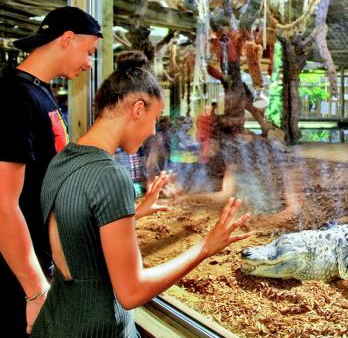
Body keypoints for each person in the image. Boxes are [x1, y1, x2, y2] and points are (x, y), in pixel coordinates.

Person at [31, 51, 251, 337]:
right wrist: (206, 247)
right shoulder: (110, 175)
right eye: (155, 119)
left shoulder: (64, 158)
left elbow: (76, 240)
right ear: (137, 109)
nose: (152, 131)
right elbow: (131, 292)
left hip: (56, 321)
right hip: (98, 328)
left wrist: (131, 215)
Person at [0, 6, 103, 337]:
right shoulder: (12, 96)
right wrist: (34, 290)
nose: (89, 63)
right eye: (89, 52)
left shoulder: (39, 91)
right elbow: (2, 204)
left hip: (41, 261)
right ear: (67, 39)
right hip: (15, 276)